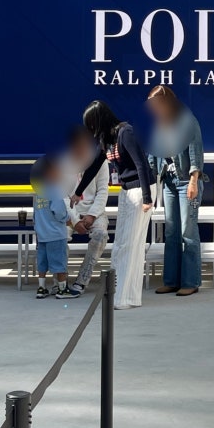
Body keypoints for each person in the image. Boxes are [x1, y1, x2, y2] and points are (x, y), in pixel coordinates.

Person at [78, 101, 154, 310]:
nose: (91, 130)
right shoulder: (106, 139)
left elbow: (141, 163)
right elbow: (94, 167)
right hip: (126, 190)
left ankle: (122, 297)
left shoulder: (125, 132)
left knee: (131, 244)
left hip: (140, 190)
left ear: (100, 120)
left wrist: (147, 198)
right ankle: (127, 296)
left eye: (92, 124)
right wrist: (78, 192)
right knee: (121, 244)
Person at [146, 85, 205, 297]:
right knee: (171, 232)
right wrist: (149, 179)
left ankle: (190, 282)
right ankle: (171, 281)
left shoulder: (187, 120)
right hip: (169, 183)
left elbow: (195, 151)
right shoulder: (160, 124)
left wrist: (193, 181)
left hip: (187, 181)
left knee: (188, 232)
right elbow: (153, 153)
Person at [60, 126, 109, 297]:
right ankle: (61, 280)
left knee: (101, 235)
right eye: (77, 145)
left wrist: (92, 215)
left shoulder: (99, 161)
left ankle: (82, 280)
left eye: (84, 144)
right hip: (69, 213)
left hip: (94, 212)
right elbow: (62, 195)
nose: (81, 149)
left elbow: (103, 191)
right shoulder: (63, 162)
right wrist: (75, 221)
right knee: (59, 237)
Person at [31, 155, 74, 299]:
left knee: (42, 263)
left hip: (42, 235)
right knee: (59, 263)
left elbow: (36, 214)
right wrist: (68, 219)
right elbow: (59, 211)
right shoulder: (55, 191)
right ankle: (62, 289)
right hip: (56, 234)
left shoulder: (38, 192)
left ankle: (41, 288)